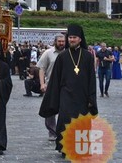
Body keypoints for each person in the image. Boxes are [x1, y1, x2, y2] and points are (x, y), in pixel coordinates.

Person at [39, 24, 98, 157]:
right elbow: (55, 79)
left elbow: (91, 80)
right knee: (65, 120)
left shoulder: (88, 57)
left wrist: (91, 98)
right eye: (70, 37)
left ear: (80, 39)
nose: (71, 40)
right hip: (65, 95)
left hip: (82, 96)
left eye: (74, 37)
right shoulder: (62, 57)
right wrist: (53, 98)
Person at [36, 34, 65, 141]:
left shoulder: (68, 53)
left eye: (63, 41)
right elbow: (42, 69)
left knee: (64, 109)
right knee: (50, 110)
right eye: (59, 41)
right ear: (55, 41)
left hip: (64, 86)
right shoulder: (48, 53)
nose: (61, 43)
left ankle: (62, 131)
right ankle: (52, 132)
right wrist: (42, 83)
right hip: (50, 85)